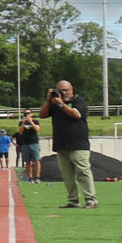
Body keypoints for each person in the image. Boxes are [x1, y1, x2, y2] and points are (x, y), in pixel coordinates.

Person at [40, 79, 97, 209]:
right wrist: (49, 101)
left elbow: (76, 115)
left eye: (66, 90)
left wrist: (61, 105)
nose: (63, 93)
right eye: (60, 91)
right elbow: (42, 115)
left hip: (78, 144)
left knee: (83, 172)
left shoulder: (78, 101)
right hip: (61, 144)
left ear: (72, 90)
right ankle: (73, 200)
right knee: (67, 176)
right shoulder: (54, 103)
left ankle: (91, 200)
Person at [17, 111, 42, 183]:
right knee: (27, 161)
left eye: (28, 113)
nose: (27, 115)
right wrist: (23, 123)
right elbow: (20, 132)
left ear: (31, 114)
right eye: (25, 114)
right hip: (25, 143)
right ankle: (30, 177)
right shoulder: (21, 122)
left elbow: (37, 129)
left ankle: (37, 177)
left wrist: (31, 122)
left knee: (36, 160)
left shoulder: (35, 121)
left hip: (34, 143)